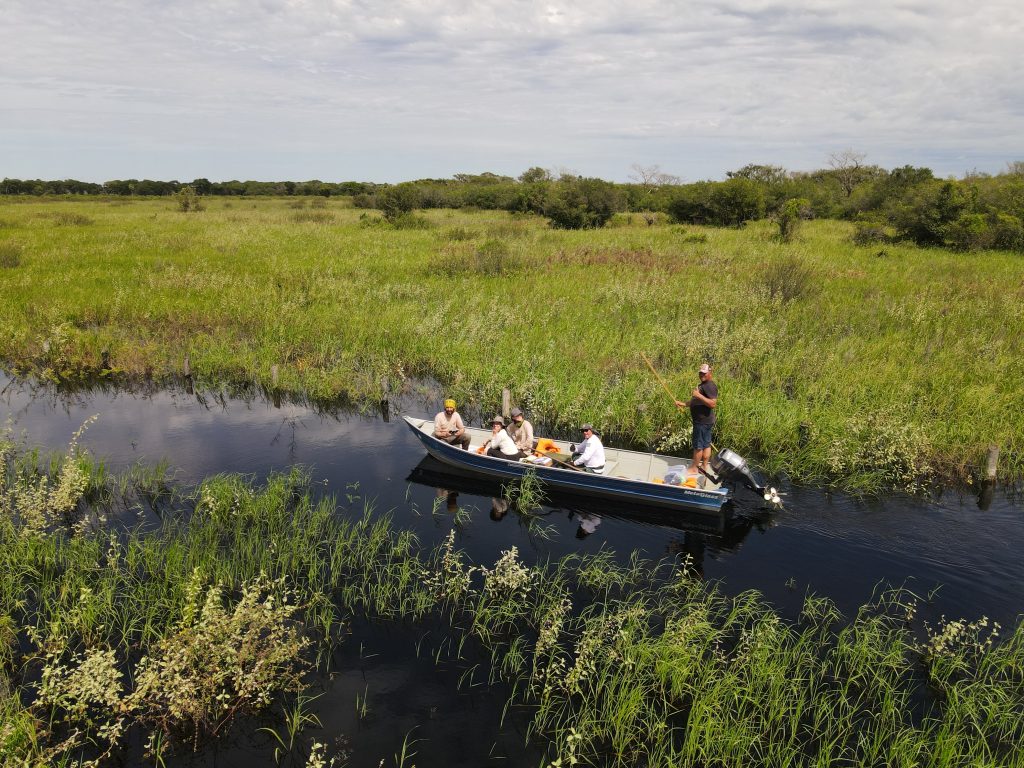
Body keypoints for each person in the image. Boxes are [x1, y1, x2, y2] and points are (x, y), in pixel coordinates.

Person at [675, 363, 717, 474]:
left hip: (702, 422)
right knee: (706, 444)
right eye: (700, 373)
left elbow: (712, 404)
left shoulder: (709, 386)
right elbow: (696, 402)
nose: (702, 375)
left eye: (704, 373)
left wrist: (698, 395)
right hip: (706, 421)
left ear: (710, 373)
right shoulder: (703, 385)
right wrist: (683, 404)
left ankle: (694, 468)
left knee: (698, 446)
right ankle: (703, 467)